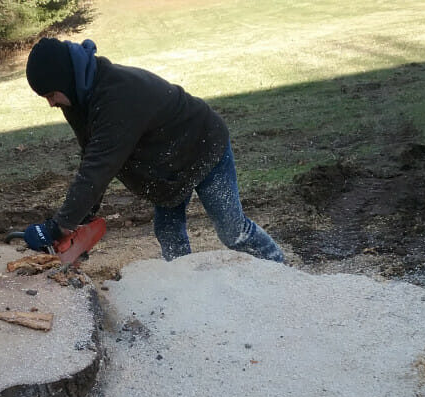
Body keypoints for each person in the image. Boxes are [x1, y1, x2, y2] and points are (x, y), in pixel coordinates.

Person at [23, 38, 284, 263]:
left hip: (202, 146)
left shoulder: (117, 95)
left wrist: (59, 226)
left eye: (51, 94)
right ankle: (188, 288)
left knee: (232, 230)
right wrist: (83, 218)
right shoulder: (77, 100)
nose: (50, 103)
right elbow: (92, 156)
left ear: (65, 79)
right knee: (168, 232)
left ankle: (278, 268)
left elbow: (99, 167)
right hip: (165, 165)